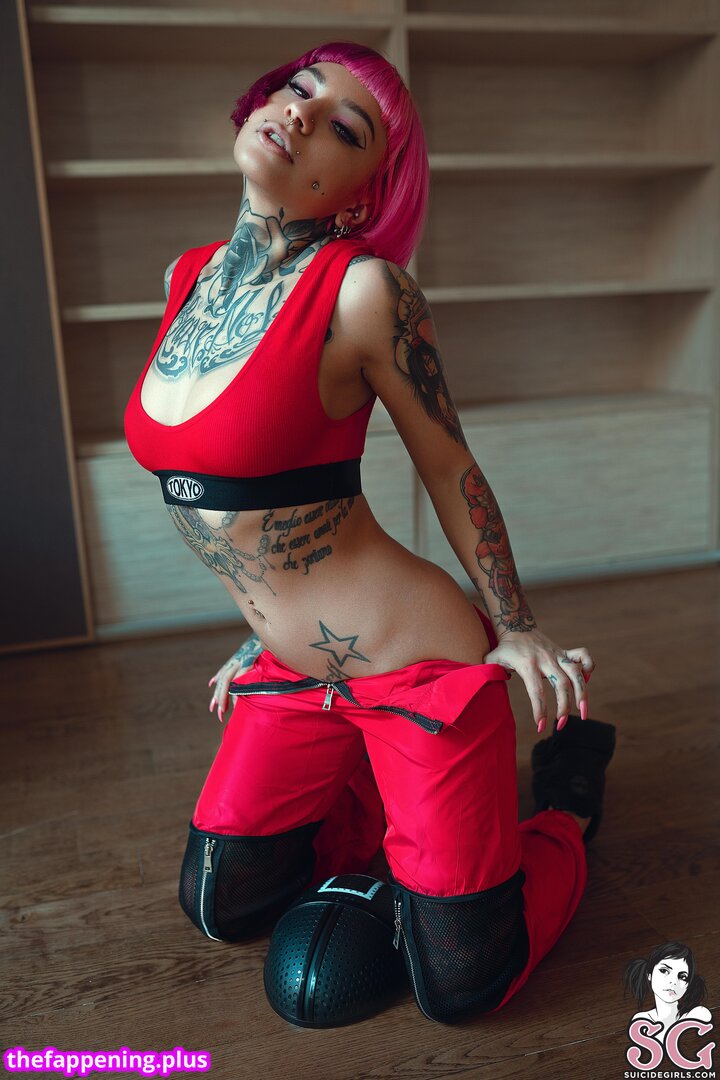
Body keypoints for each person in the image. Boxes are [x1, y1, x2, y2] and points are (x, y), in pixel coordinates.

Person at [124, 41, 616, 1024]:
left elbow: (448, 464)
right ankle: (384, 804)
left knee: (466, 982)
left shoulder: (364, 292)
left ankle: (563, 800)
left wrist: (516, 624)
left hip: (411, 659)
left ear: (362, 195)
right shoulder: (185, 278)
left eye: (345, 128)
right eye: (298, 88)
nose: (302, 113)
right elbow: (228, 503)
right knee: (222, 904)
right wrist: (256, 631)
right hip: (291, 664)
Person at [624, 943, 711, 1044]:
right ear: (649, 975)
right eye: (664, 971)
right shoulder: (641, 1020)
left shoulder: (698, 1014)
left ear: (688, 985)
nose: (673, 981)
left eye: (682, 977)